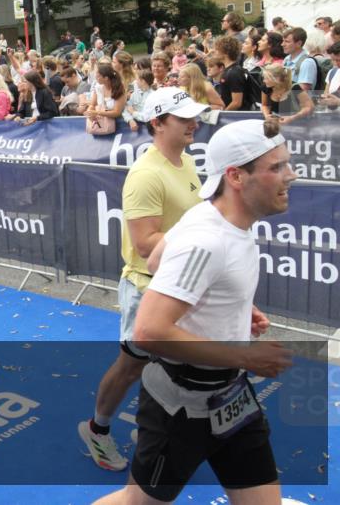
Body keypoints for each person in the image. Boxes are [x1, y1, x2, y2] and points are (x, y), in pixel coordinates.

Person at [95, 119, 296, 505]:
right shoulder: (207, 239)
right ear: (236, 176)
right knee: (135, 502)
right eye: (277, 167)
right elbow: (149, 331)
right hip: (180, 407)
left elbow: (156, 260)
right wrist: (247, 356)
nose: (291, 175)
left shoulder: (213, 217)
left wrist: (232, 303)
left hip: (231, 397)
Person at [79, 87, 209, 472]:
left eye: (193, 116)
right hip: (147, 288)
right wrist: (201, 239)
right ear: (158, 123)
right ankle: (97, 429)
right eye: (183, 118)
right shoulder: (146, 174)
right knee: (131, 366)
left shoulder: (186, 162)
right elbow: (146, 243)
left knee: (171, 369)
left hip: (179, 286)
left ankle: (153, 428)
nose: (193, 123)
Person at [318, 39, 340, 111]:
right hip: (332, 116)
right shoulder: (332, 72)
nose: (336, 63)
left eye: (339, 60)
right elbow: (326, 93)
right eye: (333, 60)